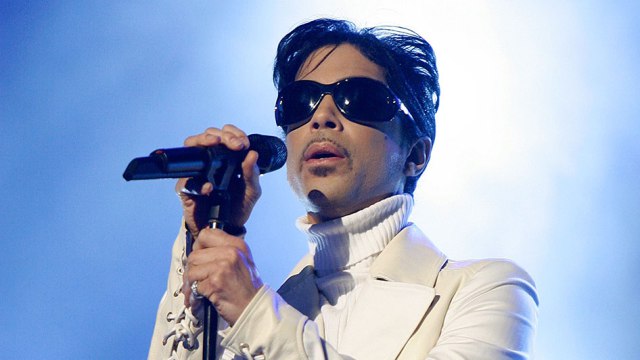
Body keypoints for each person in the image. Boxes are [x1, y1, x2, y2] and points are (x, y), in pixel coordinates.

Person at [148, 18, 538, 359]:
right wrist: (207, 236)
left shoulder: (487, 289)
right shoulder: (274, 301)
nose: (322, 116)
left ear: (415, 155)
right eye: (301, 101)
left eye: (359, 99)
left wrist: (255, 316)